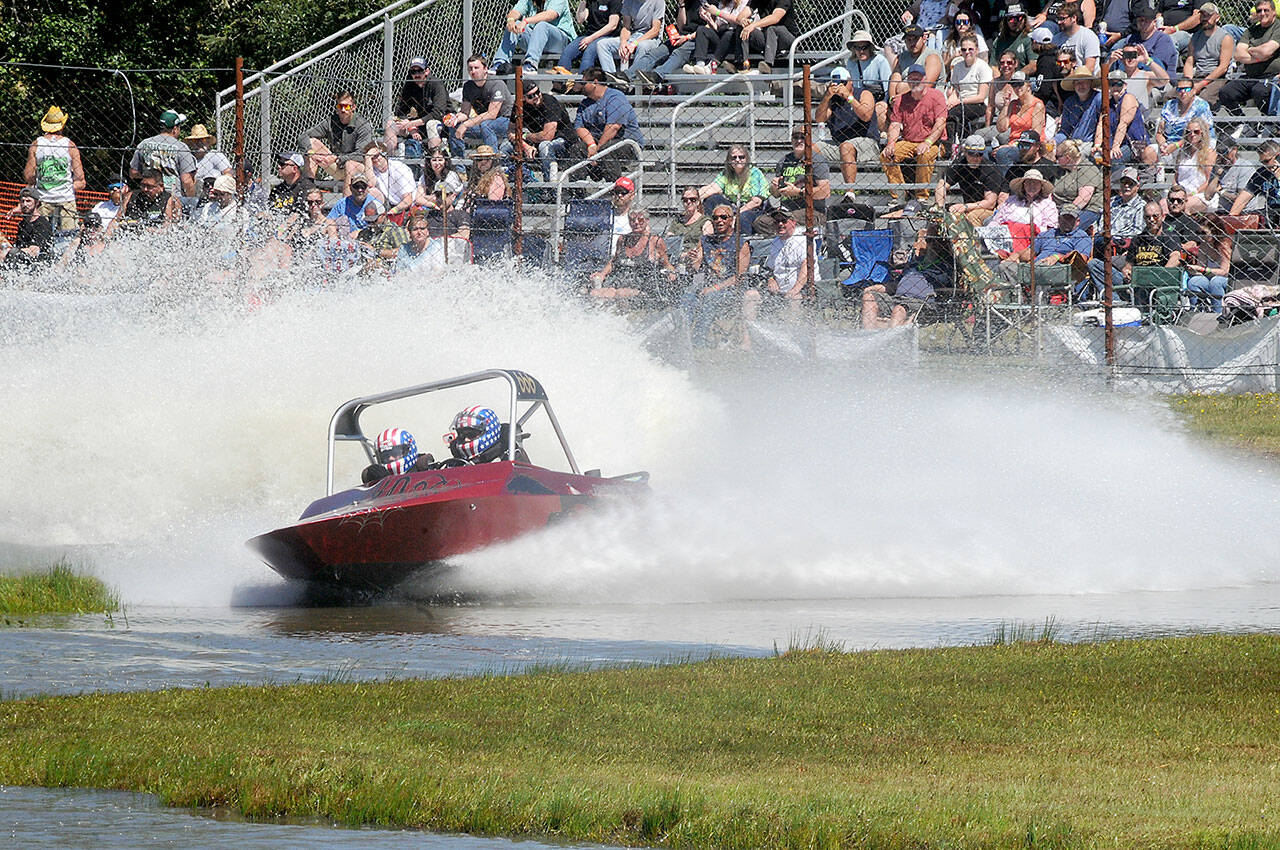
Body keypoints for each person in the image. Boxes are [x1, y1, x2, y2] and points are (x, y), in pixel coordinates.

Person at [682, 204, 751, 346]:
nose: (719, 220)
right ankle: (683, 336)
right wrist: (691, 259)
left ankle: (698, 341)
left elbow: (739, 276)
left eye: (724, 217)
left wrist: (715, 288)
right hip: (707, 286)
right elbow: (695, 268)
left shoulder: (740, 243)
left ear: (731, 220)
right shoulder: (705, 240)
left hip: (730, 289)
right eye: (715, 218)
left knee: (710, 297)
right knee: (686, 298)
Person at [1087, 199, 1183, 299]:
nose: (1152, 219)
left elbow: (1176, 258)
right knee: (1094, 264)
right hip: (1136, 283)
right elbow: (1128, 266)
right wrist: (1127, 272)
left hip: (1158, 284)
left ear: (1162, 217)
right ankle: (1115, 302)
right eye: (1148, 217)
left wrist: (1159, 276)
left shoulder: (1169, 237)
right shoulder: (1138, 239)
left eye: (1155, 216)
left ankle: (1126, 301)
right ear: (1144, 218)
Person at [861, 222, 950, 329]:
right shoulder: (915, 262)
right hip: (897, 298)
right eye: (929, 240)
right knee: (868, 297)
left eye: (938, 241)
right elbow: (896, 284)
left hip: (920, 302)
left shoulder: (944, 266)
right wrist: (874, 288)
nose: (934, 245)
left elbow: (946, 288)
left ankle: (891, 333)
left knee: (899, 310)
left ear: (945, 244)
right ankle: (871, 333)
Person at [742, 208, 813, 340]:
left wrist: (795, 289)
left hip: (801, 290)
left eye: (783, 221)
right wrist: (771, 279)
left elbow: (807, 267)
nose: (780, 224)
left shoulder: (802, 240)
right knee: (750, 295)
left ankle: (792, 339)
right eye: (776, 222)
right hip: (778, 291)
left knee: (794, 299)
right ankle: (747, 341)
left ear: (793, 222)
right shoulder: (776, 242)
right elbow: (769, 268)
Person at [880, 63, 948, 201]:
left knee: (924, 154)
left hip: (934, 142)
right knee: (886, 155)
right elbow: (895, 124)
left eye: (918, 78)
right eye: (912, 78)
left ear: (925, 79)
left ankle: (921, 197)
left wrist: (927, 142)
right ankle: (899, 195)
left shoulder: (937, 96)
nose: (915, 81)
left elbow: (941, 123)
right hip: (909, 141)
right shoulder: (901, 99)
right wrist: (891, 143)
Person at [816, 67, 878, 205]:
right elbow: (820, 118)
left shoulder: (863, 93)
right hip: (839, 142)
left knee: (846, 147)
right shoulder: (832, 99)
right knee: (812, 148)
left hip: (866, 141)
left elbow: (866, 115)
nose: (839, 87)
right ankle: (814, 189)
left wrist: (849, 97)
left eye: (843, 83)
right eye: (836, 83)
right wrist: (827, 97)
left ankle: (850, 193)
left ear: (850, 82)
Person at [568, 68, 644, 181]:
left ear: (595, 82)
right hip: (598, 143)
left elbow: (614, 127)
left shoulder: (616, 97)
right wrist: (591, 145)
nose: (581, 86)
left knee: (607, 150)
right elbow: (579, 127)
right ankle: (577, 189)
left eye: (584, 83)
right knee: (577, 149)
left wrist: (597, 151)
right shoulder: (585, 103)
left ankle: (615, 188)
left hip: (627, 143)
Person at [588, 207, 678, 302]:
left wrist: (671, 272)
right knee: (595, 293)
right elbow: (613, 262)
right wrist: (602, 274)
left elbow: (667, 264)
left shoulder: (655, 241)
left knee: (621, 295)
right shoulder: (622, 239)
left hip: (643, 286)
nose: (636, 222)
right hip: (620, 282)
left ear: (647, 221)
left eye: (640, 220)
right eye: (632, 220)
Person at [24, 106, 85, 233]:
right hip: (66, 199)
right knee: (69, 235)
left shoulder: (36, 144)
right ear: (62, 126)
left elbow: (29, 176)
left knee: (41, 234)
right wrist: (64, 186)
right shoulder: (70, 145)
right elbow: (80, 179)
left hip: (43, 198)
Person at [299, 91, 376, 191]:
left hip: (358, 167)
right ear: (337, 107)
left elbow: (361, 155)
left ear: (353, 107)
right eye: (340, 106)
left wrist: (338, 159)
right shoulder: (331, 121)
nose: (343, 110)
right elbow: (303, 136)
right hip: (336, 164)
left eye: (347, 106)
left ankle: (347, 198)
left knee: (350, 164)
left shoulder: (363, 125)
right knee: (311, 143)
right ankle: (308, 188)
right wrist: (311, 153)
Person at [1219, 0, 1280, 114]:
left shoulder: (1278, 27)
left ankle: (1269, 121)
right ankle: (1241, 122)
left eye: (1266, 10)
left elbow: (1267, 51)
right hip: (1250, 76)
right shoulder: (1251, 30)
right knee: (1226, 92)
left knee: (1259, 91)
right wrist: (1259, 57)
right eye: (1259, 11)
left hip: (1272, 77)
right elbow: (1238, 55)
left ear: (1273, 12)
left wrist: (1250, 49)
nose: (1262, 13)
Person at [764, 130, 831, 232]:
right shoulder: (784, 161)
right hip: (785, 211)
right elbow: (776, 195)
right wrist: (775, 187)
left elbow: (825, 192)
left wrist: (798, 192)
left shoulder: (817, 160)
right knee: (760, 222)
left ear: (809, 140)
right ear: (791, 140)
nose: (799, 140)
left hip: (812, 211)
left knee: (786, 220)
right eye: (795, 137)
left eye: (803, 137)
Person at [449, 57, 514, 160]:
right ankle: (459, 165)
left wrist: (466, 124)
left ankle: (492, 162)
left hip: (506, 121)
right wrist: (455, 119)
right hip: (483, 122)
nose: (473, 71)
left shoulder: (497, 83)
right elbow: (465, 113)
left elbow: (492, 114)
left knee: (487, 125)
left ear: (485, 69)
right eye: (470, 68)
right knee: (454, 126)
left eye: (476, 68)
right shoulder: (468, 86)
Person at [712, 0, 799, 76]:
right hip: (768, 39)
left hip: (787, 39)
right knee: (743, 27)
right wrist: (742, 20)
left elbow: (775, 18)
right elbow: (741, 16)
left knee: (772, 29)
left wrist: (753, 25)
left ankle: (768, 65)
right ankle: (742, 64)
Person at [698, 145, 769, 234]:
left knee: (742, 218)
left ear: (747, 158)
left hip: (752, 209)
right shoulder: (726, 174)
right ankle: (711, 233)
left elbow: (756, 202)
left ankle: (743, 241)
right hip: (733, 207)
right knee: (712, 199)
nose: (737, 160)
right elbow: (712, 188)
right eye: (734, 157)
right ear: (729, 160)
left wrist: (736, 215)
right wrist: (693, 198)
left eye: (741, 157)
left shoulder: (755, 173)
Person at [1095, 68, 1158, 168]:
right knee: (1094, 159)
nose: (1115, 87)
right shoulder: (1108, 103)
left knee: (1113, 160)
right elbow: (1101, 124)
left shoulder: (1128, 98)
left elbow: (1123, 124)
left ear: (1125, 85)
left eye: (1119, 84)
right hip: (1115, 144)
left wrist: (1116, 146)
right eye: (1112, 84)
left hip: (1133, 145)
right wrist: (1097, 145)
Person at [512, 81, 575, 180]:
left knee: (544, 146)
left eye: (538, 92)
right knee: (505, 146)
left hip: (563, 143)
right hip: (534, 143)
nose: (537, 96)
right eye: (531, 96)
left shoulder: (549, 101)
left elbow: (547, 136)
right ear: (523, 98)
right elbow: (511, 132)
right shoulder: (519, 106)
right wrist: (525, 146)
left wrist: (524, 136)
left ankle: (549, 186)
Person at [493, 0, 577, 73]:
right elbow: (515, 11)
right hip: (537, 40)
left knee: (542, 25)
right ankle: (500, 63)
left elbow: (550, 15)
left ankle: (530, 64)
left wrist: (526, 21)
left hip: (560, 41)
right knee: (516, 24)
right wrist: (511, 20)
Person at [386, 58, 449, 156]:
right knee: (390, 125)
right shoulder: (410, 85)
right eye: (413, 72)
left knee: (431, 125)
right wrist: (412, 129)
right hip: (418, 124)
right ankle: (390, 159)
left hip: (441, 123)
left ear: (427, 71)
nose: (417, 75)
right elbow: (400, 111)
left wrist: (412, 123)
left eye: (420, 71)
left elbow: (438, 113)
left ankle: (435, 160)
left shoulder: (436, 84)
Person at [937, 135, 1003, 226]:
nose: (975, 158)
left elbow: (990, 203)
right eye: (972, 154)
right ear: (965, 151)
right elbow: (942, 185)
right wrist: (940, 207)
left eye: (979, 154)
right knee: (941, 215)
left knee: (973, 216)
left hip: (989, 210)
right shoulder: (960, 164)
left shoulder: (990, 169)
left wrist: (965, 207)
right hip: (968, 206)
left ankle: (974, 236)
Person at [130, 108, 196, 198]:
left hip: (149, 193)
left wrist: (147, 177)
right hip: (173, 196)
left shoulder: (144, 144)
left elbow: (133, 173)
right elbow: (186, 180)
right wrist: (191, 199)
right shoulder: (181, 147)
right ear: (175, 129)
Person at [595, 0, 666, 81]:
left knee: (642, 46)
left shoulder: (658, 1)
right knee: (602, 44)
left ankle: (634, 82)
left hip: (652, 39)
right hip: (634, 36)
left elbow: (655, 30)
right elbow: (626, 27)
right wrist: (623, 42)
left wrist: (635, 43)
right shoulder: (628, 1)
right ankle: (614, 80)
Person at [946, 34, 993, 144]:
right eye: (964, 49)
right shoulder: (957, 67)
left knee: (955, 113)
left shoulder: (983, 67)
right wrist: (949, 102)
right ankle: (949, 143)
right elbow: (956, 90)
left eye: (970, 49)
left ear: (977, 50)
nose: (967, 52)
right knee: (943, 111)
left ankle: (955, 143)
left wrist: (959, 101)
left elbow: (981, 97)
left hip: (978, 104)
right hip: (960, 102)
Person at [1183, 3, 1233, 105]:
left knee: (1202, 99)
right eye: (1202, 15)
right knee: (1171, 96)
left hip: (1218, 79)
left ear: (1217, 18)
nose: (1204, 18)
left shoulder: (1225, 37)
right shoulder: (1195, 37)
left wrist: (1201, 84)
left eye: (1208, 15)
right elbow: (1189, 62)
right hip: (1198, 76)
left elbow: (1223, 68)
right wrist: (1188, 83)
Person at [1110, 2, 1179, 75]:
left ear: (1154, 22)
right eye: (1140, 20)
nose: (1143, 23)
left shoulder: (1163, 39)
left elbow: (1159, 67)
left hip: (1157, 79)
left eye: (1146, 21)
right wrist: (1112, 61)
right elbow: (1122, 64)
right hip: (1131, 78)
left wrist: (1141, 60)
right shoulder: (1131, 38)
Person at [994, 70, 1047, 164]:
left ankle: (1009, 174)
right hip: (1013, 144)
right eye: (1014, 85)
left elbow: (1035, 135)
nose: (1017, 88)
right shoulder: (1013, 104)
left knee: (1002, 153)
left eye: (1020, 84)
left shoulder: (1037, 105)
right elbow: (1001, 128)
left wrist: (1012, 146)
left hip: (1029, 146)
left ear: (1028, 85)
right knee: (986, 152)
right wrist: (1006, 105)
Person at [681, 0, 748, 73]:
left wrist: (717, 12)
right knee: (702, 30)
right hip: (722, 37)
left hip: (735, 38)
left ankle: (712, 65)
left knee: (728, 34)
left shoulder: (744, 3)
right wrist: (708, 19)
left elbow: (739, 20)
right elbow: (716, 27)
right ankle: (700, 64)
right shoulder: (723, 3)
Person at [1051, 140, 1103, 229]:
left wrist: (1066, 214)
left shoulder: (1087, 169)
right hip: (1059, 209)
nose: (1056, 160)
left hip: (1085, 210)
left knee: (1067, 228)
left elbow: (1083, 199)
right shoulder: (1061, 170)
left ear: (1067, 158)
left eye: (1058, 157)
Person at [557, 0, 621, 72]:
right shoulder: (591, 2)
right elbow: (580, 20)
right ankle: (560, 77)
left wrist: (591, 38)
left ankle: (584, 78)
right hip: (589, 36)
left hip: (607, 36)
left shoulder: (614, 1)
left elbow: (612, 25)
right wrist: (583, 2)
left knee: (589, 53)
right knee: (568, 52)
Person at [991, 167, 1059, 233]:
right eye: (1028, 182)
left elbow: (1050, 228)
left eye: (1035, 182)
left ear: (1041, 186)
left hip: (1035, 237)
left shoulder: (1048, 205)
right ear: (1023, 185)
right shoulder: (1011, 201)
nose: (1031, 185)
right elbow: (996, 221)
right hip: (1006, 235)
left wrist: (1026, 229)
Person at [1229, 139, 1280, 227]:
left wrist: (1278, 178)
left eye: (1267, 161)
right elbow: (1243, 199)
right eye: (1262, 162)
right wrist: (1231, 218)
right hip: (1272, 212)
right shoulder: (1262, 173)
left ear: (1277, 156)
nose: (1266, 165)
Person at [1170, 118, 1217, 212]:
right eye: (1189, 132)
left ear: (1202, 133)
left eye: (1196, 132)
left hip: (1200, 194)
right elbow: (1176, 178)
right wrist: (1176, 192)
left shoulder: (1208, 153)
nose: (1192, 134)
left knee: (1185, 206)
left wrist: (1192, 193)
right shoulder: (1182, 153)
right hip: (1180, 194)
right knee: (1163, 204)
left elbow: (1209, 181)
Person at [1185, 220, 1232, 312]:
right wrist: (1193, 270)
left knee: (1216, 281)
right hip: (1209, 277)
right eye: (1198, 233)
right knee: (1193, 282)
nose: (1200, 236)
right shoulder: (1204, 245)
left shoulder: (1224, 246)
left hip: (1225, 280)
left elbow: (1224, 272)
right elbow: (1201, 268)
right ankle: (1196, 311)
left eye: (1204, 233)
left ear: (1214, 231)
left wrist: (1203, 270)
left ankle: (1218, 313)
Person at [364, 141, 417, 222]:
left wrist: (393, 211)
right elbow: (370, 184)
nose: (375, 159)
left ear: (384, 154)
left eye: (377, 155)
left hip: (406, 207)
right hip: (388, 205)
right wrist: (367, 158)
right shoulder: (373, 170)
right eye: (372, 158)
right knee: (371, 191)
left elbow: (408, 200)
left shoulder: (398, 168)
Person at [1211, 135, 1264, 218]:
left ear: (1234, 149)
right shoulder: (1219, 167)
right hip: (1221, 211)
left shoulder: (1245, 167)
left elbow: (1241, 199)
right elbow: (1208, 195)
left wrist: (1221, 191)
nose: (1222, 156)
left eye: (1225, 152)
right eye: (1219, 152)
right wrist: (1217, 175)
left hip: (1243, 213)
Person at [2, 188, 53, 265]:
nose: (25, 204)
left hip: (38, 263)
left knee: (13, 253)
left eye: (28, 201)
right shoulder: (23, 223)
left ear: (37, 203)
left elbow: (34, 251)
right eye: (22, 201)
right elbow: (18, 245)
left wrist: (11, 251)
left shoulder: (42, 224)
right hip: (20, 257)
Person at [325, 173, 385, 237]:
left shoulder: (375, 204)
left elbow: (381, 225)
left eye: (363, 186)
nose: (360, 190)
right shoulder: (342, 204)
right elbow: (329, 220)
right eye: (356, 186)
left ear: (368, 188)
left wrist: (359, 233)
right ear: (350, 188)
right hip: (345, 238)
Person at [443, 407, 509, 464]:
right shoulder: (456, 466)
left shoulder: (508, 461)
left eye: (471, 434)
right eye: (462, 435)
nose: (466, 439)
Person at [119, 169, 183, 227]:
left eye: (149, 186)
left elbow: (169, 227)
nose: (145, 189)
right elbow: (116, 220)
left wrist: (148, 230)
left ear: (161, 186)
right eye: (143, 185)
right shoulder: (131, 196)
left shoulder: (171, 200)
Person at [1052, 2, 1101, 72]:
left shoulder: (1088, 36)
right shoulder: (1056, 39)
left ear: (1073, 18)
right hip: (1064, 76)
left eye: (1062, 18)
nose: (1059, 22)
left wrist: (1075, 77)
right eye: (1058, 19)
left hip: (1086, 77)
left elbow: (1090, 67)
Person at [268, 152, 315, 216]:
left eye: (282, 164)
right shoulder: (278, 189)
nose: (278, 166)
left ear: (294, 169)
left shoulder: (306, 187)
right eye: (278, 163)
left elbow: (300, 214)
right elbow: (269, 210)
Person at [186, 125, 232, 191]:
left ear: (208, 141)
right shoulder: (188, 158)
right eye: (195, 140)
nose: (199, 142)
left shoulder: (215, 155)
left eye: (203, 139)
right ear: (191, 143)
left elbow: (228, 173)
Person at [993, 4, 1034, 72]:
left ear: (1025, 19)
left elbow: (1033, 65)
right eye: (1011, 19)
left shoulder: (1030, 38)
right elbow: (993, 66)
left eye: (1019, 18)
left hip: (1023, 77)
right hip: (1003, 76)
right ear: (1005, 21)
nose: (1015, 21)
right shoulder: (999, 41)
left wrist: (1015, 76)